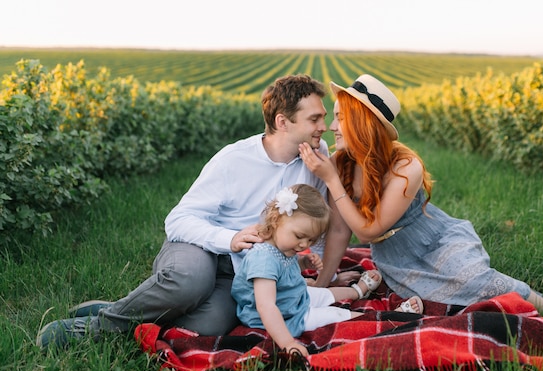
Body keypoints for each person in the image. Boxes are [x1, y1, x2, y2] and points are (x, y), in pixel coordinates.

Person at [37, 74, 335, 350]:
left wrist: (312, 264)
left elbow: (314, 222)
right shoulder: (234, 160)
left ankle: (125, 307)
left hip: (243, 271)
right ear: (283, 122)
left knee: (211, 324)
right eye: (315, 118)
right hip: (200, 247)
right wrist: (229, 239)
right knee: (189, 281)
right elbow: (178, 220)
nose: (323, 126)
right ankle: (96, 327)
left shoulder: (317, 160)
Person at [298, 74, 543, 335]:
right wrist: (320, 289)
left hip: (435, 239)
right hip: (396, 257)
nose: (332, 127)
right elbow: (340, 231)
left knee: (477, 280)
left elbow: (366, 232)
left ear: (360, 122)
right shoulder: (341, 164)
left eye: (339, 118)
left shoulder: (406, 167)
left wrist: (331, 181)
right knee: (460, 301)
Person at [231, 184, 423, 356]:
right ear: (275, 221)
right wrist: (288, 343)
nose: (303, 244)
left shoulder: (281, 247)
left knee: (324, 294)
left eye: (311, 240)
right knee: (336, 315)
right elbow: (266, 306)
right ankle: (392, 320)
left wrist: (303, 263)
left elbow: (282, 270)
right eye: (300, 236)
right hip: (288, 316)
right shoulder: (263, 259)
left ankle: (358, 291)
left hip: (293, 298)